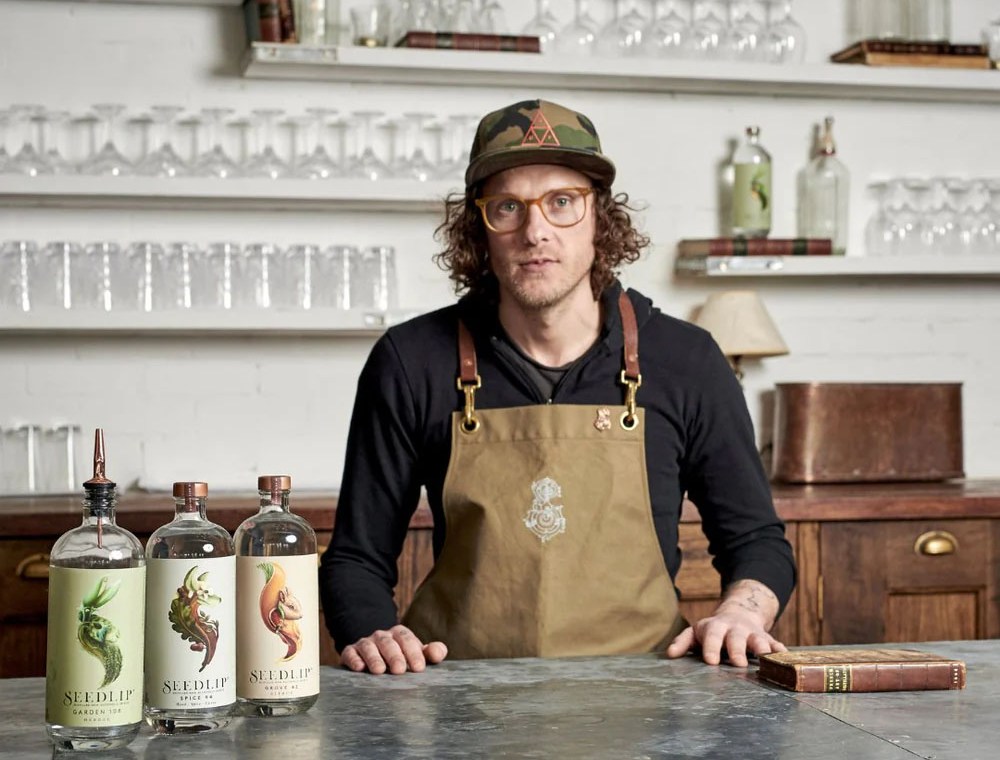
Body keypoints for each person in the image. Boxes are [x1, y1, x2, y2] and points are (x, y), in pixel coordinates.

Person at [319, 99, 796, 675]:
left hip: (644, 696)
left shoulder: (687, 360)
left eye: (562, 203)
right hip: (457, 699)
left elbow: (758, 541)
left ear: (600, 218)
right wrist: (374, 636)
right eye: (507, 207)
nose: (535, 230)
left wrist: (743, 613)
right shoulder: (410, 360)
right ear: (480, 228)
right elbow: (355, 558)